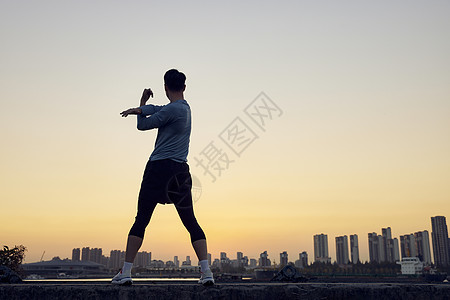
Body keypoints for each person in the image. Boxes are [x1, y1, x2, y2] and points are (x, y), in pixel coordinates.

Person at [112, 69, 214, 286]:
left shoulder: (171, 110)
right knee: (191, 222)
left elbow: (143, 124)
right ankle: (206, 272)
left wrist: (139, 108)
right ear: (184, 88)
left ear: (165, 87)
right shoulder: (184, 108)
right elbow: (156, 109)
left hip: (158, 169)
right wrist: (142, 105)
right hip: (180, 172)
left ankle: (126, 272)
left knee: (141, 220)